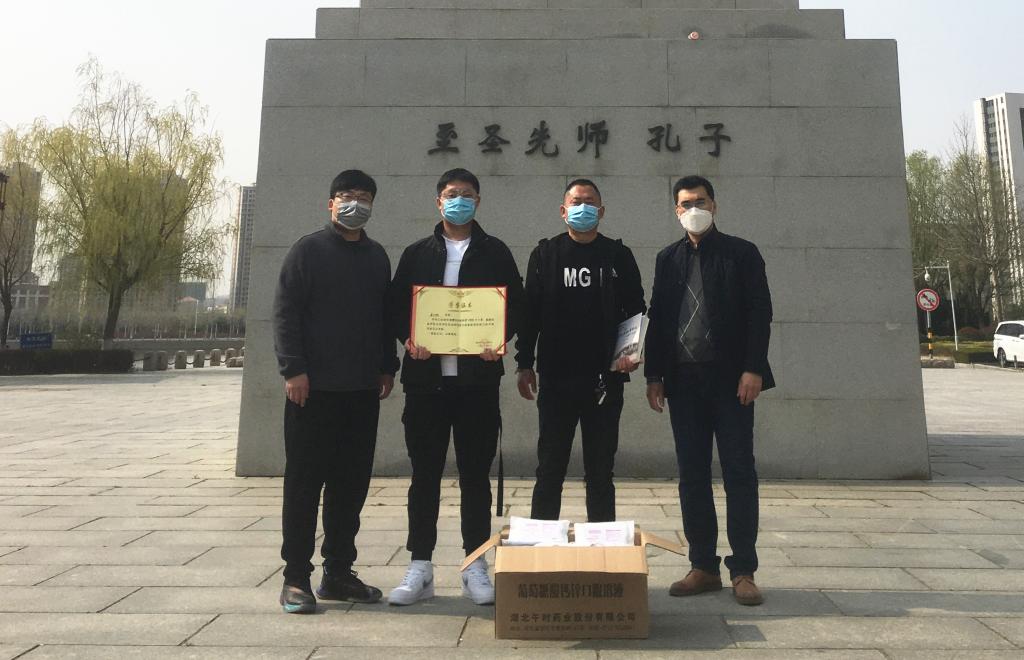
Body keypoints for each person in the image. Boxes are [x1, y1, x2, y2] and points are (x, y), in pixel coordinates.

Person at [387, 168, 524, 606]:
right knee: (424, 476)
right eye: (451, 194)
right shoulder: (417, 253)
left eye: (466, 194)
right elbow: (396, 307)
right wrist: (408, 338)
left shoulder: (495, 251)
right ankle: (420, 566)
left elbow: (515, 305)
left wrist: (498, 339)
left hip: (477, 385)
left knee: (475, 478)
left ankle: (475, 565)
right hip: (425, 384)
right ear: (438, 201)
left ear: (478, 201)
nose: (458, 201)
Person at [644, 175, 775, 607]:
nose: (693, 209)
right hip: (684, 383)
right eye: (685, 204)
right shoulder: (668, 258)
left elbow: (760, 313)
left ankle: (743, 570)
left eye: (700, 201)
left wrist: (753, 368)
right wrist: (654, 375)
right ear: (676, 211)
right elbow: (659, 317)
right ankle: (702, 565)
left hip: (732, 381)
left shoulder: (741, 253)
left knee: (739, 472)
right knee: (692, 475)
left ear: (714, 205)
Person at [273, 169, 398, 613]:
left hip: (361, 391)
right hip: (311, 391)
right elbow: (285, 314)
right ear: (331, 203)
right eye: (347, 195)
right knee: (304, 485)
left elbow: (385, 318)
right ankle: (295, 577)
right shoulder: (307, 250)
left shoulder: (377, 257)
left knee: (351, 486)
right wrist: (293, 369)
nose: (355, 203)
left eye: (364, 196)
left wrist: (387, 366)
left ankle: (339, 572)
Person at [515, 178, 646, 523]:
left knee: (601, 470)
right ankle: (542, 542)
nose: (582, 208)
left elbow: (635, 308)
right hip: (556, 379)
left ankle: (602, 544)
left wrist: (631, 351)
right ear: (563, 210)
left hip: (605, 379)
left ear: (601, 211)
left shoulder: (618, 255)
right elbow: (530, 313)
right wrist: (524, 363)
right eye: (576, 202)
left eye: (590, 202)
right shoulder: (545, 254)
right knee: (549, 467)